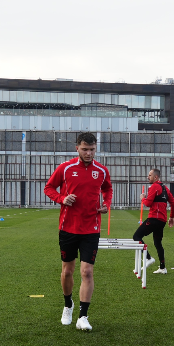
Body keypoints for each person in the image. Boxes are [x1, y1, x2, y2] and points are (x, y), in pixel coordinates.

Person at [43, 131, 112, 331]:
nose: (89, 153)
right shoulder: (65, 168)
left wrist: (106, 204)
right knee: (67, 271)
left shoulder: (102, 171)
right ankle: (68, 305)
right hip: (68, 227)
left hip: (91, 228)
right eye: (85, 149)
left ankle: (83, 316)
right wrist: (62, 198)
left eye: (92, 149)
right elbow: (49, 188)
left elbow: (108, 189)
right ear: (77, 148)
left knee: (87, 271)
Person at [133, 168, 174, 274]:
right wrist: (171, 217)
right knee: (157, 243)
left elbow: (147, 203)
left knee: (136, 237)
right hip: (162, 220)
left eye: (150, 175)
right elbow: (173, 203)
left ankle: (148, 258)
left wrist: (143, 198)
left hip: (154, 219)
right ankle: (162, 268)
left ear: (155, 177)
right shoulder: (165, 188)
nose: (148, 177)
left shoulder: (154, 187)